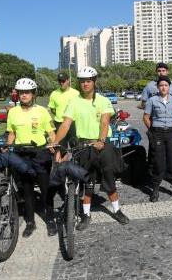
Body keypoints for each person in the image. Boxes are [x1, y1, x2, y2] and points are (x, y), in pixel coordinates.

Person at [51, 66, 129, 231]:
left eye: (88, 81)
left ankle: (117, 209)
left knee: (109, 176)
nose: (85, 84)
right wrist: (56, 142)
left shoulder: (103, 100)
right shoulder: (74, 102)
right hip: (84, 143)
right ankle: (86, 215)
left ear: (94, 82)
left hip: (101, 143)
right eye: (82, 81)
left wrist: (101, 140)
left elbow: (105, 121)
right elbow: (65, 124)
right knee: (87, 179)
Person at [6, 78, 59, 237]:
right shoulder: (13, 112)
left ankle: (50, 219)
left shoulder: (42, 111)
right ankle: (30, 222)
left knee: (45, 190)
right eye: (21, 92)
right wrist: (9, 150)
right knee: (27, 191)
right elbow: (12, 134)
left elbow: (51, 133)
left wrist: (54, 146)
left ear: (33, 94)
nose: (24, 95)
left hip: (39, 154)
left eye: (27, 92)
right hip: (22, 155)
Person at [143, 76, 172, 202]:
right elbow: (146, 117)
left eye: (166, 85)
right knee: (158, 162)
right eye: (161, 85)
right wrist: (153, 130)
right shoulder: (152, 100)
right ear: (158, 87)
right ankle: (155, 189)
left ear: (169, 87)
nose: (164, 87)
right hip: (158, 133)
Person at [48, 72, 79, 148]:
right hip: (59, 123)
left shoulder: (76, 93)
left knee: (75, 147)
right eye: (59, 81)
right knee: (60, 148)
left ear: (68, 80)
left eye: (63, 81)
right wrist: (60, 116)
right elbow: (52, 109)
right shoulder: (54, 94)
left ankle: (74, 160)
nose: (61, 83)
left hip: (73, 123)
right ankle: (62, 159)